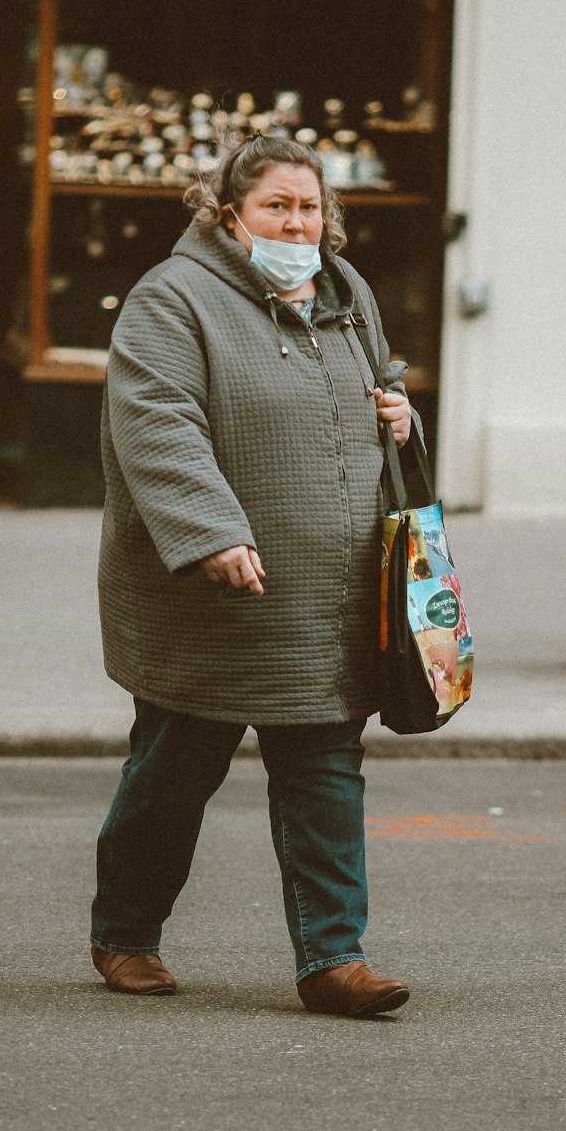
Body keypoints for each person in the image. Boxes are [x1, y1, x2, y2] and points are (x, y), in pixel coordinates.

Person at [91, 134, 416, 1017]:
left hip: (328, 589)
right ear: (229, 214)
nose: (297, 222)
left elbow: (375, 388)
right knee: (175, 769)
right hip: (212, 589)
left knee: (325, 769)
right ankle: (125, 932)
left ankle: (332, 958)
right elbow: (157, 418)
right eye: (278, 205)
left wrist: (397, 415)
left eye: (310, 207)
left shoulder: (348, 297)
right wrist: (208, 532)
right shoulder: (174, 299)